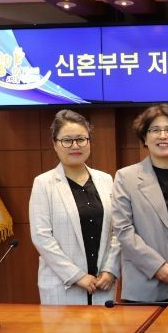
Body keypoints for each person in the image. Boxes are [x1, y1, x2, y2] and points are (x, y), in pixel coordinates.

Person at [29, 110, 120, 305]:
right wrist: (77, 276)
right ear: (55, 144)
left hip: (103, 284)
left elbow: (117, 231)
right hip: (62, 286)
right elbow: (41, 237)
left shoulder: (106, 180)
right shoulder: (44, 183)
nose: (75, 146)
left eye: (81, 139)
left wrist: (111, 269)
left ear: (89, 142)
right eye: (67, 140)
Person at [112, 104, 168, 303]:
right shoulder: (126, 178)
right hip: (144, 286)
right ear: (144, 137)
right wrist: (156, 266)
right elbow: (123, 229)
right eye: (155, 130)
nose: (163, 136)